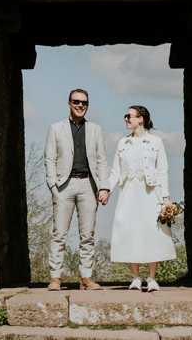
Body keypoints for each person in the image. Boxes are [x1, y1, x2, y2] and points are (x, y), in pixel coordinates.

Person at [44, 88, 110, 291]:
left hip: (88, 185)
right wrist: (53, 184)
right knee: (59, 234)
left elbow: (101, 159)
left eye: (84, 103)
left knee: (88, 234)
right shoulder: (55, 128)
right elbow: (50, 158)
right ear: (69, 103)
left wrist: (104, 187)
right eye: (77, 102)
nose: (81, 105)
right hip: (64, 185)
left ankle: (86, 278)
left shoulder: (96, 129)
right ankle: (55, 278)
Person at [108, 104, 176, 292]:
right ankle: (135, 277)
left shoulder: (156, 142)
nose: (126, 119)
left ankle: (152, 278)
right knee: (129, 231)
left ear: (141, 119)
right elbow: (115, 171)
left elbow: (162, 170)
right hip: (128, 192)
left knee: (152, 232)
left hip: (150, 192)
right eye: (126, 116)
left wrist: (166, 197)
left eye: (129, 116)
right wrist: (106, 190)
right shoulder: (123, 143)